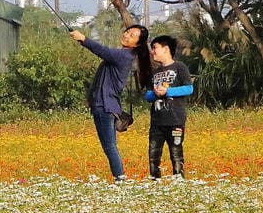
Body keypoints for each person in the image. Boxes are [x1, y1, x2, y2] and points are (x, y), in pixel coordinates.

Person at [69, 24, 150, 181]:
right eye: (127, 32)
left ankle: (120, 179)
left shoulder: (124, 55)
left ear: (137, 44)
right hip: (108, 106)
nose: (126, 35)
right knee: (110, 146)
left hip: (105, 106)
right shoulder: (124, 55)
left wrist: (83, 38)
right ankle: (120, 178)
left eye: (132, 35)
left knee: (109, 147)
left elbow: (101, 50)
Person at [144, 34, 192, 178]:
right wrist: (155, 94)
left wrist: (168, 91)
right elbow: (147, 96)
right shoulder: (155, 72)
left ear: (165, 49)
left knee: (176, 154)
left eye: (155, 48)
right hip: (157, 122)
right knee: (153, 156)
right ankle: (155, 182)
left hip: (175, 121)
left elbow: (189, 88)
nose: (152, 52)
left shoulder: (179, 67)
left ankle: (179, 182)